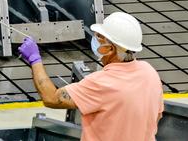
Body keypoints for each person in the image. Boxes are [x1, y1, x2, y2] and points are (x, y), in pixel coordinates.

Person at [18, 12, 163, 141]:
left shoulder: (102, 83)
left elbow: (51, 98)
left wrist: (35, 59)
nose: (96, 39)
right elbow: (156, 117)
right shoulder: (150, 74)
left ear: (110, 49)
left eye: (100, 37)